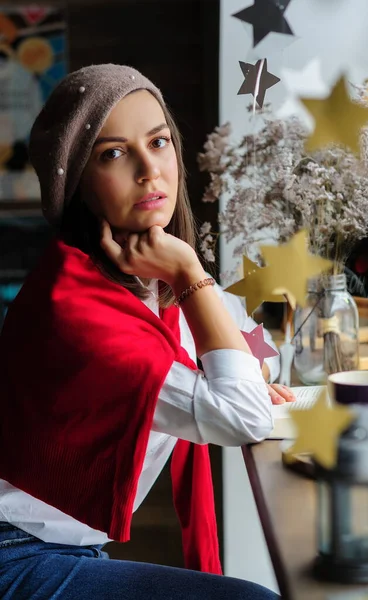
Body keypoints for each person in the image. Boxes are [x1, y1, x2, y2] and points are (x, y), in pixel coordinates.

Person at [0, 64, 293, 599]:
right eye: (113, 153)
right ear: (76, 181)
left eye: (158, 142)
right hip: (14, 554)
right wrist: (188, 274)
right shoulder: (78, 310)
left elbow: (252, 352)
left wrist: (193, 298)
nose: (149, 170)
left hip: (55, 545)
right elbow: (245, 415)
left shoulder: (141, 283)